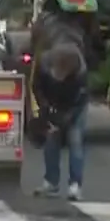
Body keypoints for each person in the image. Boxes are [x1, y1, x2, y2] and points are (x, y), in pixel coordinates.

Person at [31, 41, 88, 200]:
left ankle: (75, 184)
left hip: (73, 106)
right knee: (51, 139)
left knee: (75, 140)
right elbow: (37, 87)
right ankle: (51, 182)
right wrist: (45, 108)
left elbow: (79, 101)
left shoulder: (80, 73)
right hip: (53, 102)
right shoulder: (43, 64)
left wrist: (65, 120)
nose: (60, 78)